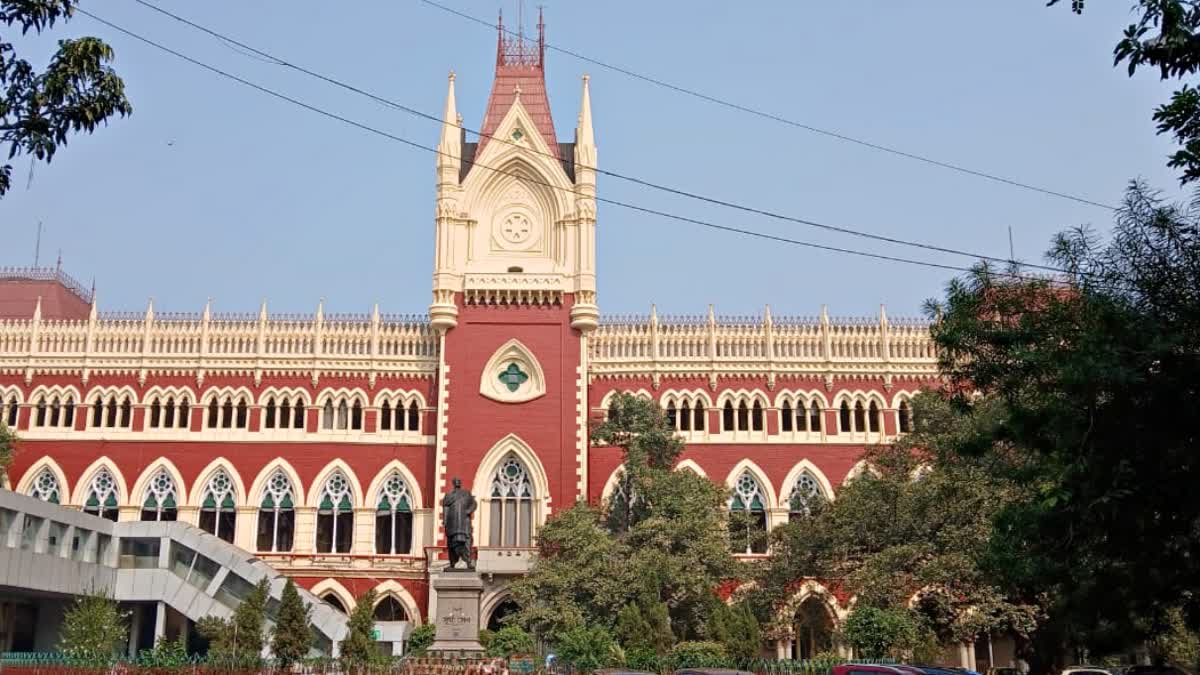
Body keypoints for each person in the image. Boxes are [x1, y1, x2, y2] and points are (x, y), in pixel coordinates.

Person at [443, 477, 477, 570]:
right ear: (453, 483)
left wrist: (468, 511)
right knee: (451, 543)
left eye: (459, 481)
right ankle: (452, 563)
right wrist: (445, 521)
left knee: (467, 542)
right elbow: (445, 508)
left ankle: (468, 562)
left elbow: (474, 503)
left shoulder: (466, 494)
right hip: (452, 523)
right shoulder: (449, 495)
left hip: (464, 523)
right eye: (456, 481)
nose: (458, 482)